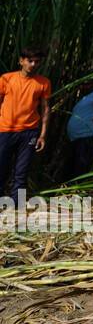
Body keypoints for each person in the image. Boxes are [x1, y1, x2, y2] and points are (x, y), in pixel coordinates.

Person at [0, 46, 53, 205]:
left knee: (21, 171)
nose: (33, 64)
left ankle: (17, 205)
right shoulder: (6, 79)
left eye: (37, 62)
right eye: (30, 61)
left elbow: (45, 108)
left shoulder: (43, 83)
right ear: (21, 61)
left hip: (30, 132)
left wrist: (42, 135)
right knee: (1, 168)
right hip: (5, 130)